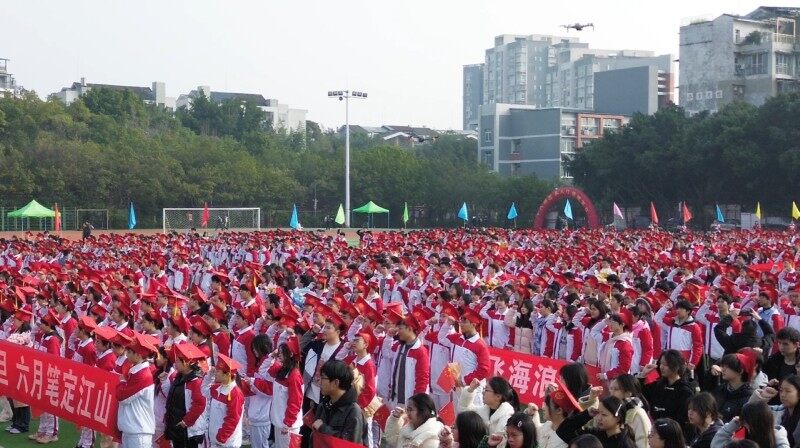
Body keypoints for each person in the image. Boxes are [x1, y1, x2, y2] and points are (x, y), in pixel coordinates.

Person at [638, 350, 695, 438]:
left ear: (676, 366)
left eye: (665, 364)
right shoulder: (657, 385)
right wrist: (643, 375)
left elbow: (684, 421)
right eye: (661, 363)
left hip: (673, 436)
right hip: (655, 434)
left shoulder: (685, 391)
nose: (661, 367)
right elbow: (637, 392)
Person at [115, 333, 157, 448]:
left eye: (129, 352)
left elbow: (122, 396)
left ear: (138, 355)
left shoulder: (142, 375)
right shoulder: (136, 371)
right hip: (132, 429)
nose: (127, 354)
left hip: (139, 432)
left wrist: (122, 381)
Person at [164, 343, 208, 448]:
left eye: (178, 361)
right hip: (178, 427)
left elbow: (199, 404)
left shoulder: (196, 381)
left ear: (186, 363)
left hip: (189, 431)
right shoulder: (179, 378)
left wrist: (185, 422)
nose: (175, 364)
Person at [312, 359, 364, 444]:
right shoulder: (323, 405)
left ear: (336, 382)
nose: (319, 380)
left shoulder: (353, 411)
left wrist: (323, 429)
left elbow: (349, 444)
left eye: (323, 378)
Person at [458, 376, 518, 447]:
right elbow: (464, 411)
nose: (483, 392)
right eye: (484, 389)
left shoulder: (508, 417)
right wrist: (470, 390)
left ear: (498, 396)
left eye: (486, 390)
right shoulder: (482, 411)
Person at [269, 337, 304, 448]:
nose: (279, 354)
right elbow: (270, 371)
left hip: (288, 425)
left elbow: (296, 401)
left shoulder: (294, 375)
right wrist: (273, 356)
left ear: (290, 354)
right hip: (280, 420)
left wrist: (288, 422)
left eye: (282, 352)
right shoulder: (283, 369)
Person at [241, 334, 275, 448]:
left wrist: (252, 381)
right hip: (256, 413)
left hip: (262, 415)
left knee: (261, 444)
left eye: (255, 348)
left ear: (262, 347)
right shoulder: (261, 362)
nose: (254, 351)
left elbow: (270, 390)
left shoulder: (270, 364)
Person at [710, 401, 790, 448]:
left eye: (745, 421)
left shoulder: (777, 435)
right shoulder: (742, 433)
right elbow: (715, 445)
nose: (743, 424)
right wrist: (730, 427)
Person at [748, 375, 800, 447]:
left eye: (788, 391)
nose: (783, 395)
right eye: (781, 390)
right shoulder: (777, 411)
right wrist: (761, 397)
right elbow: (748, 413)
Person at [206, 354, 245, 448]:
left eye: (218, 371)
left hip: (226, 443)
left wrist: (221, 438)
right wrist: (209, 376)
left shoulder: (235, 394)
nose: (215, 373)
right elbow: (203, 391)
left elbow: (233, 419)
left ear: (227, 374)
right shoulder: (217, 388)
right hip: (216, 440)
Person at [709, 352, 755, 421]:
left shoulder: (749, 397)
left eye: (727, 367)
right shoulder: (720, 389)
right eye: (723, 366)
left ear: (740, 371)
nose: (723, 369)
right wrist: (710, 375)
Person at [607, 374, 650, 448]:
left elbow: (644, 442)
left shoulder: (638, 413)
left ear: (628, 393)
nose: (611, 392)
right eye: (610, 388)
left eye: (616, 389)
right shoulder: (611, 410)